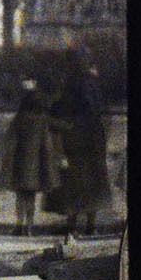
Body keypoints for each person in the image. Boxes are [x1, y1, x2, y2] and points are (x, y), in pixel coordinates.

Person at [48, 49, 112, 234]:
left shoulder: (72, 84)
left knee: (74, 183)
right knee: (93, 182)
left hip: (77, 140)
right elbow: (96, 110)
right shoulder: (92, 83)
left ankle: (73, 226)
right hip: (92, 140)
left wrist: (65, 125)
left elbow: (61, 110)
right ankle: (90, 226)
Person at [0, 78, 64, 233]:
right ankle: (29, 227)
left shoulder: (19, 119)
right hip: (36, 167)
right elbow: (53, 137)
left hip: (20, 165)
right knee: (31, 197)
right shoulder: (43, 120)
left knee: (20, 197)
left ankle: (19, 225)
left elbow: (8, 139)